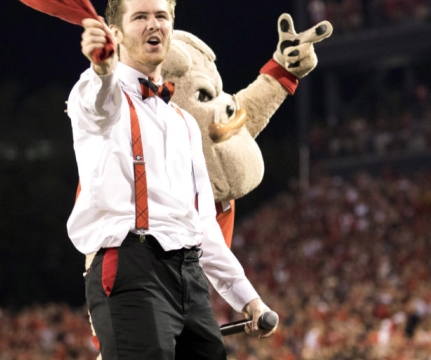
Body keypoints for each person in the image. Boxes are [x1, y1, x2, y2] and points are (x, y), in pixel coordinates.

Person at [65, 0, 277, 358]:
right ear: (115, 34)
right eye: (141, 17)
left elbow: (204, 226)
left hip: (188, 274)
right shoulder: (98, 93)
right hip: (130, 268)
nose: (154, 25)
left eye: (161, 16)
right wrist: (101, 69)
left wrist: (248, 299)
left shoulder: (184, 122)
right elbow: (99, 105)